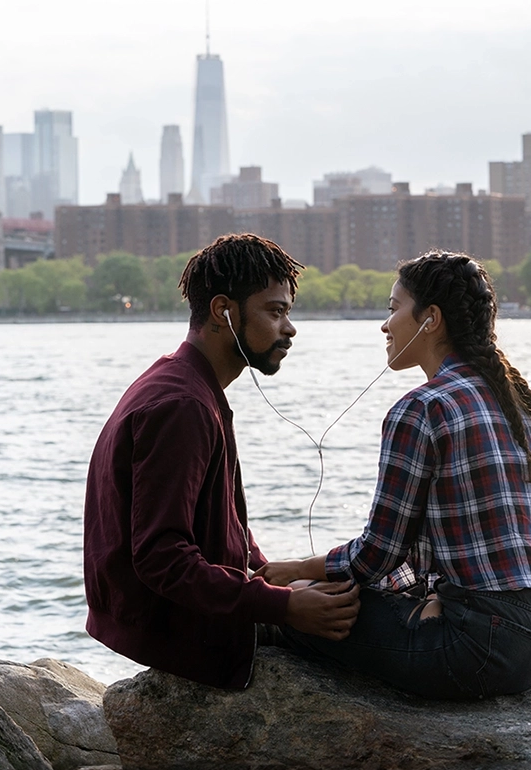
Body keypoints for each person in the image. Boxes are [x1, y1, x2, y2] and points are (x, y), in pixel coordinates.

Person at [257, 250, 531, 701]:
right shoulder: (514, 400)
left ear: (430, 319)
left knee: (299, 613)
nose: (385, 325)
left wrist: (295, 573)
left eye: (393, 309)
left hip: (488, 644)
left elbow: (377, 555)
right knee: (332, 595)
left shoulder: (423, 407)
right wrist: (435, 598)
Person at [83, 234, 360, 690]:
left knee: (340, 593)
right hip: (183, 632)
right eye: (275, 311)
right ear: (223, 312)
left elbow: (220, 520)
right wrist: (282, 608)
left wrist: (272, 580)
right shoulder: (181, 405)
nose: (289, 328)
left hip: (192, 613)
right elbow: (160, 557)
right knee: (377, 619)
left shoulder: (187, 382)